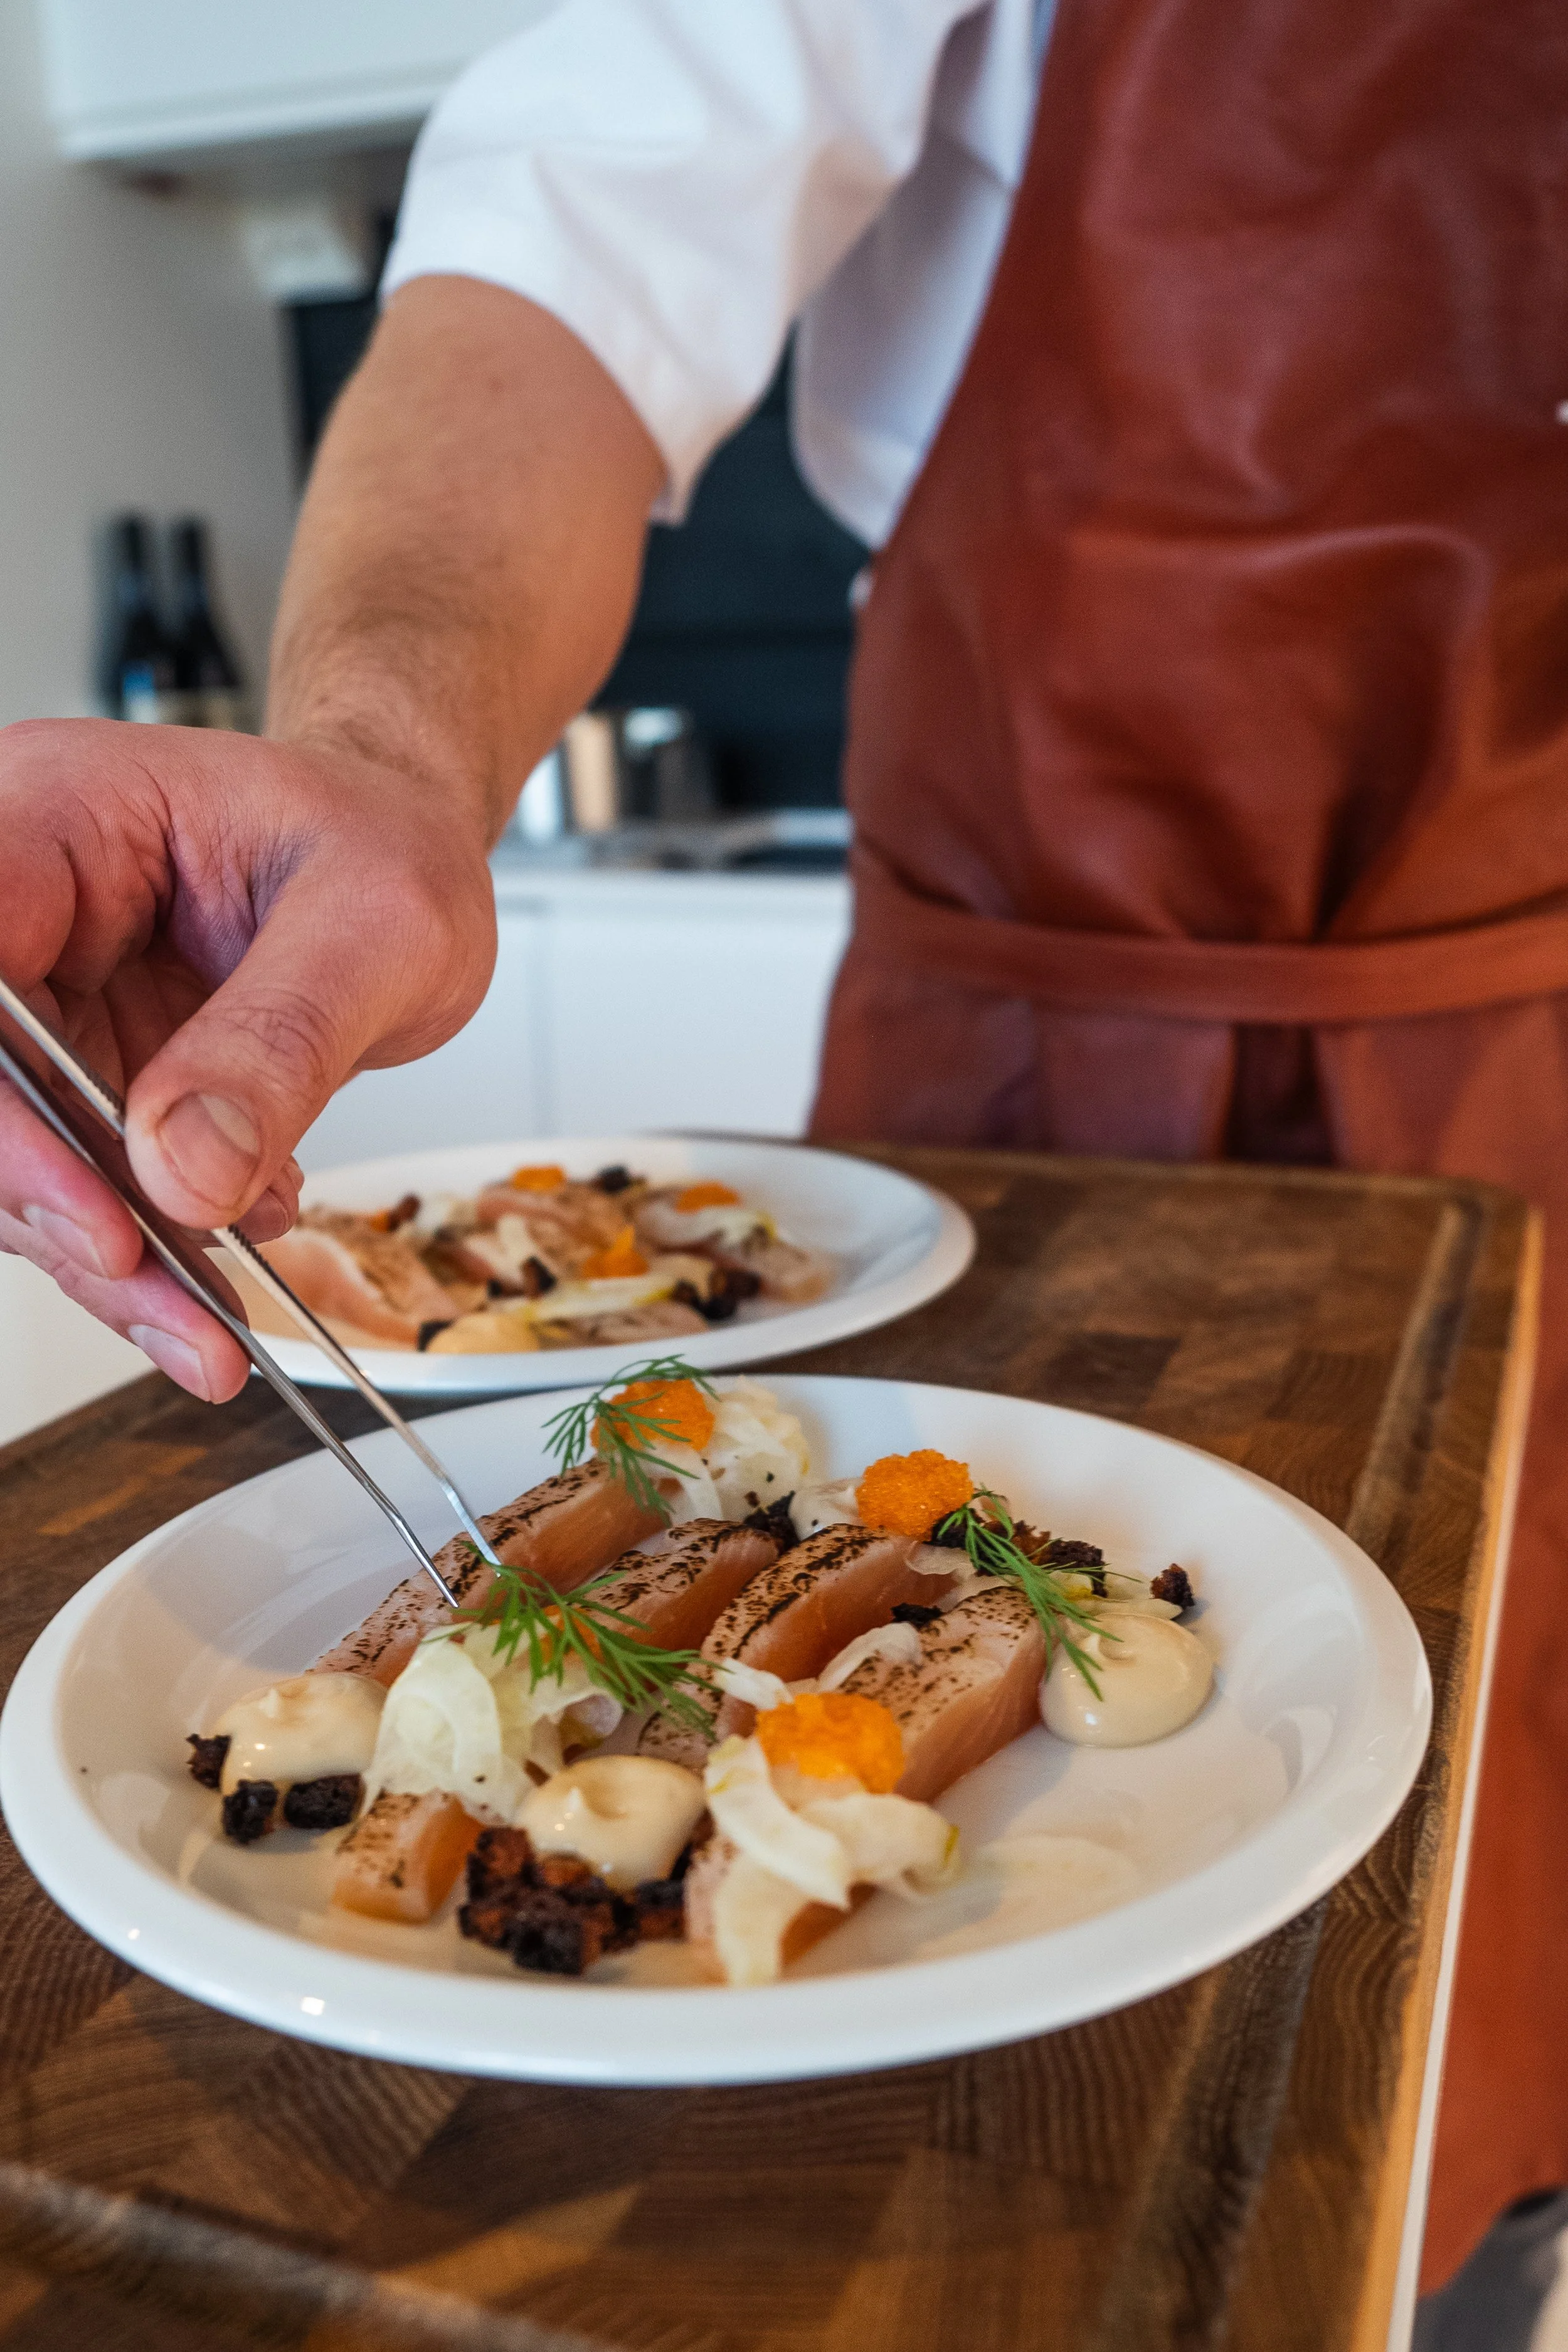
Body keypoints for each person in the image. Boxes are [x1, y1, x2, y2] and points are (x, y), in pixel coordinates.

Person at [1, 0, 1564, 2307]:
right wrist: (384, 755)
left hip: (1518, 1055)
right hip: (993, 1033)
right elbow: (572, 245)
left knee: (1481, 1847)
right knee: (853, 2193)